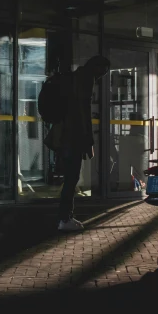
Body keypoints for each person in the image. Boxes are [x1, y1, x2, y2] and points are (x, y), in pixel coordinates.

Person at [44, 55, 110, 231]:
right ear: (96, 67)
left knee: (70, 178)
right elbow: (83, 112)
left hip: (64, 134)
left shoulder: (76, 76)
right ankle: (65, 219)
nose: (103, 75)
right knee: (71, 178)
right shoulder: (85, 79)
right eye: (103, 70)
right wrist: (88, 141)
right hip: (72, 137)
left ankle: (65, 217)